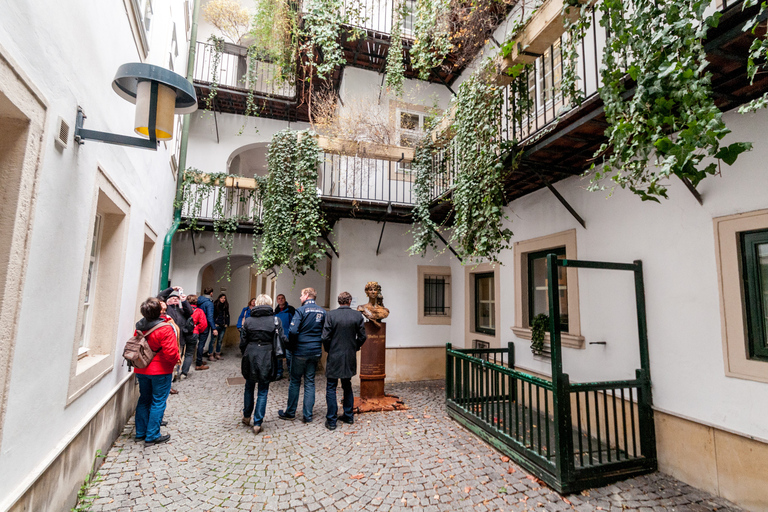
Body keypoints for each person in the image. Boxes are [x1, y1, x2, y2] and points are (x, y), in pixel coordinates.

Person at [133, 297, 180, 446]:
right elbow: (171, 353)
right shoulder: (164, 328)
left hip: (142, 367)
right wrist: (174, 363)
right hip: (160, 370)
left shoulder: (139, 327)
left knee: (144, 399)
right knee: (158, 401)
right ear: (159, 312)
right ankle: (152, 435)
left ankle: (140, 432)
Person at [240, 294, 287, 434]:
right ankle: (258, 422)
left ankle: (247, 415)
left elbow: (243, 342)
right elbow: (281, 338)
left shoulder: (248, 321)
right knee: (263, 390)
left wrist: (246, 352)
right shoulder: (275, 320)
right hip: (267, 354)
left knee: (249, 386)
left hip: (251, 354)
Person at [278, 287, 326, 423]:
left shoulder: (301, 310)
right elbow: (325, 331)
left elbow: (292, 331)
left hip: (300, 351)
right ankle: (307, 415)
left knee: (295, 381)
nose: (300, 298)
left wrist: (292, 346)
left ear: (306, 295)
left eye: (301, 295)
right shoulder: (322, 311)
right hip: (315, 350)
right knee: (310, 381)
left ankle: (291, 412)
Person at [322, 291, 367, 431]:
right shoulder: (357, 315)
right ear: (350, 301)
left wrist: (330, 349)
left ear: (339, 301)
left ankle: (332, 420)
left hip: (334, 355)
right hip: (349, 355)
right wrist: (355, 346)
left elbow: (325, 337)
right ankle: (348, 415)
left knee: (331, 386)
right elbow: (363, 336)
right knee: (347, 385)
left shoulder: (331, 315)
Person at [160, 289, 193, 383]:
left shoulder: (182, 311)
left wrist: (184, 301)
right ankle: (169, 376)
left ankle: (175, 373)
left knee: (179, 356)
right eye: (173, 298)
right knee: (170, 357)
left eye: (176, 298)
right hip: (170, 339)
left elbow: (190, 312)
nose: (175, 299)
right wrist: (171, 289)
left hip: (181, 338)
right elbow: (160, 297)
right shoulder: (167, 309)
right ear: (167, 302)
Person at [181, 294, 208, 379]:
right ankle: (184, 373)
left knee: (180, 352)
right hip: (193, 333)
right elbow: (204, 324)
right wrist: (197, 329)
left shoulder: (182, 310)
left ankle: (175, 371)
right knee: (189, 353)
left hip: (182, 333)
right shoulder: (199, 311)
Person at [274, 294, 296, 380]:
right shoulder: (275, 312)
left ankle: (291, 374)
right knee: (279, 356)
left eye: (282, 298)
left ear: (285, 299)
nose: (280, 300)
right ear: (277, 301)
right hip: (278, 337)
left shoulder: (291, 310)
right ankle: (279, 373)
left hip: (288, 337)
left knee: (289, 356)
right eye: (279, 299)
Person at [195, 288, 214, 370]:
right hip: (205, 325)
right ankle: (199, 363)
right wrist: (214, 328)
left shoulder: (198, 300)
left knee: (199, 343)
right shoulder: (209, 303)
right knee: (201, 344)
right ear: (211, 293)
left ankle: (199, 360)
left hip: (197, 324)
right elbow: (210, 317)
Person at [211, 293, 230, 360]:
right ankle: (210, 354)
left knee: (220, 340)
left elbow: (227, 314)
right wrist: (214, 324)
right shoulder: (215, 305)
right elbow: (212, 315)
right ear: (219, 298)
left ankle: (217, 353)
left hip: (223, 325)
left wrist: (227, 323)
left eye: (224, 298)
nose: (223, 299)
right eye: (222, 298)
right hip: (216, 325)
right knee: (213, 340)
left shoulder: (226, 305)